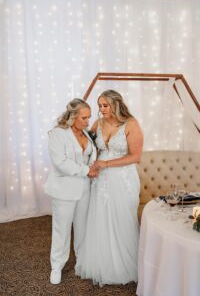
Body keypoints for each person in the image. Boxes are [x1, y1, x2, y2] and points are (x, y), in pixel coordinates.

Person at [75, 90, 143, 285]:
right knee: (100, 218)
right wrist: (91, 165)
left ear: (116, 104)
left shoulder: (131, 124)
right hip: (101, 179)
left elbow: (135, 156)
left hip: (123, 178)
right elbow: (90, 148)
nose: (101, 109)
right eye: (100, 105)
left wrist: (106, 164)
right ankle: (101, 263)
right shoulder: (98, 123)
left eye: (105, 105)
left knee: (121, 217)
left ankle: (124, 265)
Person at [44, 98, 97, 285]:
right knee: (62, 230)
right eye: (84, 118)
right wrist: (86, 170)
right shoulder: (58, 134)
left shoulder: (86, 134)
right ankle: (56, 266)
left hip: (85, 189)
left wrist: (92, 167)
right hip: (64, 190)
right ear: (73, 116)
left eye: (89, 117)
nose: (87, 122)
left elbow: (90, 156)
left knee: (83, 229)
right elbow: (60, 162)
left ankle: (81, 263)